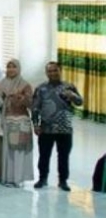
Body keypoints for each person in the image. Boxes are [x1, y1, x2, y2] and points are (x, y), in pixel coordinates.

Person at [32, 61, 83, 192]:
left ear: (60, 70)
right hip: (46, 128)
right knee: (44, 155)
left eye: (55, 70)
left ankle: (63, 181)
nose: (52, 73)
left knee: (64, 156)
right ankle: (42, 178)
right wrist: (36, 125)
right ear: (46, 73)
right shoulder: (41, 88)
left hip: (64, 128)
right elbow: (35, 108)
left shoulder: (69, 86)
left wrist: (73, 96)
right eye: (50, 71)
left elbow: (80, 102)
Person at [0, 59, 34, 187]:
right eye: (9, 67)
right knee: (8, 150)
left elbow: (31, 104)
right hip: (7, 120)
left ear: (18, 69)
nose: (11, 69)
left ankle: (18, 179)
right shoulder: (1, 84)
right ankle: (8, 177)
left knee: (19, 150)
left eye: (14, 67)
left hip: (21, 122)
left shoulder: (25, 85)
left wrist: (22, 98)